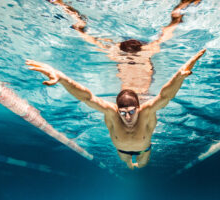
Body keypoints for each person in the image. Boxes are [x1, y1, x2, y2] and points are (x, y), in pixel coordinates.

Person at [26, 49, 206, 169]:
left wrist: (179, 76)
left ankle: (137, 165)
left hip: (144, 150)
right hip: (121, 152)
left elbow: (165, 96)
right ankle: (130, 164)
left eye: (132, 111)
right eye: (123, 112)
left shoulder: (147, 111)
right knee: (128, 164)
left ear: (138, 107)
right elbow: (86, 97)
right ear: (117, 110)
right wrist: (63, 78)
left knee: (141, 166)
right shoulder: (111, 113)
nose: (127, 116)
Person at [46, 0, 202, 95]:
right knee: (83, 31)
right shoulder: (136, 56)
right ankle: (68, 11)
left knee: (83, 31)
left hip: (132, 53)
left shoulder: (139, 55)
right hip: (131, 53)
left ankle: (180, 10)